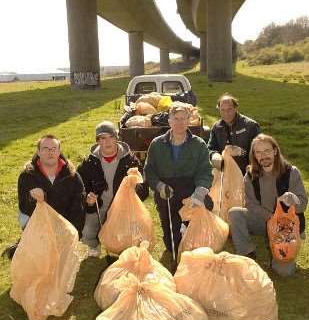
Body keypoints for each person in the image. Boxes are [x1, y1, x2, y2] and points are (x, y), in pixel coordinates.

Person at [228, 133, 308, 276]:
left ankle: (284, 251)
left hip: (286, 225)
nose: (263, 156)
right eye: (258, 152)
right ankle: (247, 253)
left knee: (284, 272)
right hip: (265, 220)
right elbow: (250, 204)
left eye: (267, 151)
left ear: (275, 151)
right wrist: (270, 217)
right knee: (235, 213)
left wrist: (293, 199)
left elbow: (302, 204)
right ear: (254, 155)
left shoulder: (291, 172)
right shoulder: (251, 175)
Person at [2, 135, 86, 259]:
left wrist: (73, 233)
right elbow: (24, 207)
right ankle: (30, 243)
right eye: (45, 148)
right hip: (38, 220)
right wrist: (36, 200)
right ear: (38, 152)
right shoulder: (27, 175)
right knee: (25, 220)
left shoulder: (72, 175)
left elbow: (78, 208)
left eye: (53, 149)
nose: (50, 152)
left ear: (59, 152)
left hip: (64, 221)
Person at [144, 103, 213, 255]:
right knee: (172, 245)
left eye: (184, 119)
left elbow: (205, 171)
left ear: (189, 121)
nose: (180, 122)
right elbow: (149, 171)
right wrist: (159, 186)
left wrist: (200, 192)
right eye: (176, 119)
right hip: (166, 192)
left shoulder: (198, 144)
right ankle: (175, 235)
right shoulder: (157, 144)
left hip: (190, 190)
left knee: (205, 208)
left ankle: (194, 233)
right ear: (169, 121)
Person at [77, 121, 149, 257]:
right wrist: (88, 198)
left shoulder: (130, 161)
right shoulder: (89, 162)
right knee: (87, 231)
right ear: (98, 141)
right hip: (99, 206)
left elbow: (144, 188)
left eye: (111, 137)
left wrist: (133, 191)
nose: (107, 142)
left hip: (123, 208)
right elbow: (79, 187)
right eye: (103, 138)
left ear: (117, 138)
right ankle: (94, 245)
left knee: (130, 236)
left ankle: (121, 245)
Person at [208, 93, 261, 174]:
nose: (226, 114)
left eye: (229, 109)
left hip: (247, 173)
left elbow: (260, 150)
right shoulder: (216, 127)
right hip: (224, 173)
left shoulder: (251, 126)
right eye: (223, 110)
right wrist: (214, 155)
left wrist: (242, 152)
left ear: (235, 108)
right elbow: (210, 148)